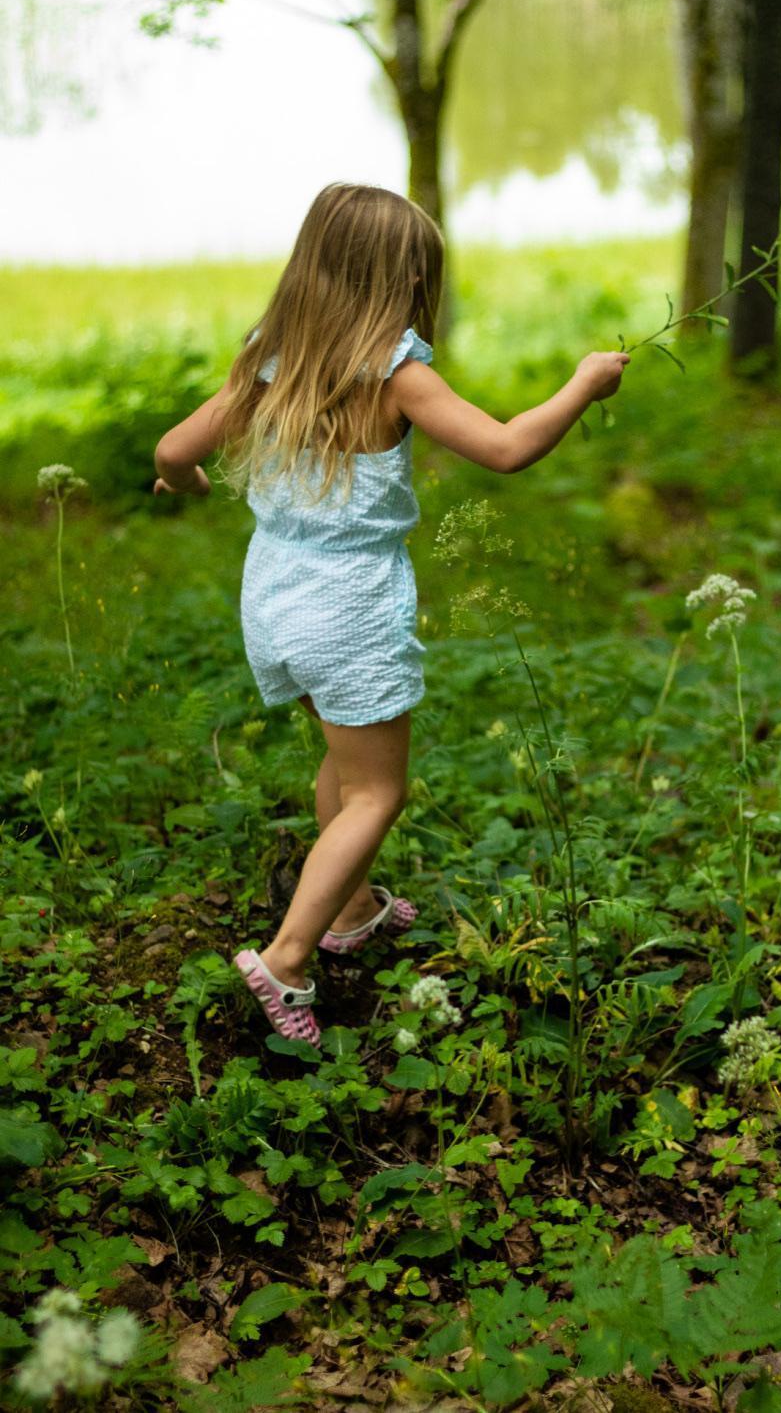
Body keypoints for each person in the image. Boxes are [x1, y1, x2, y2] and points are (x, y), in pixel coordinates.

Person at [152, 181, 629, 1049]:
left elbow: (173, 451)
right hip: (349, 608)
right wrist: (582, 385)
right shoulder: (396, 372)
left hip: (274, 601)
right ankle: (288, 958)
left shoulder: (271, 359)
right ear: (403, 282)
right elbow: (508, 446)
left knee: (343, 758)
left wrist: (179, 484)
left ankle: (353, 908)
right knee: (379, 788)